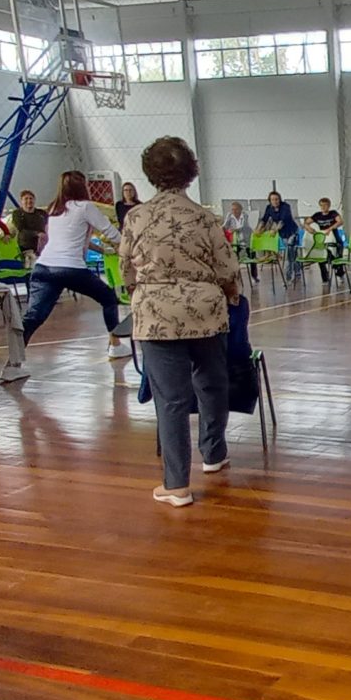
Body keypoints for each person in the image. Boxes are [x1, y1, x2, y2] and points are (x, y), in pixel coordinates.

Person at [121, 138, 240, 509]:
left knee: (171, 399)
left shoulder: (136, 217)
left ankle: (176, 485)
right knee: (212, 384)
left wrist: (137, 292)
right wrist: (231, 296)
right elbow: (227, 269)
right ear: (193, 171)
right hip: (205, 311)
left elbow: (125, 269)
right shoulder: (206, 218)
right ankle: (214, 453)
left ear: (149, 173)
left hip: (156, 314)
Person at [22, 170, 129, 358]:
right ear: (82, 187)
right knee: (109, 298)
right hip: (71, 268)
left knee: (34, 317)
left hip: (43, 267)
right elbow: (111, 233)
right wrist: (131, 244)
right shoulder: (85, 207)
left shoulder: (54, 209)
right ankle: (115, 344)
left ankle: (13, 363)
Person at [303, 197, 347, 283]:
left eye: (325, 205)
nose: (323, 207)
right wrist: (308, 228)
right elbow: (306, 222)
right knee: (321, 258)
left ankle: (340, 274)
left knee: (337, 257)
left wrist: (330, 229)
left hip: (335, 238)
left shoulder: (333, 213)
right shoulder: (317, 215)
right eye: (322, 205)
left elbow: (340, 221)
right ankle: (325, 278)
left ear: (329, 206)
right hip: (323, 238)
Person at [256, 191, 299, 272]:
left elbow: (282, 221)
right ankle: (297, 272)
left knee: (289, 252)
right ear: (270, 200)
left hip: (292, 231)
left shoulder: (285, 206)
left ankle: (289, 276)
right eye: (273, 199)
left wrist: (275, 230)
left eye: (277, 199)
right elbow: (264, 219)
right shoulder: (269, 208)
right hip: (283, 233)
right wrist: (258, 229)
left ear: (279, 199)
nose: (275, 201)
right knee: (292, 253)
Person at [9, 190, 48, 260]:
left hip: (42, 246)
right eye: (26, 199)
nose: (29, 201)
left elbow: (48, 225)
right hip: (25, 246)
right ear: (22, 201)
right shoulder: (17, 213)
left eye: (31, 198)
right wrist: (37, 234)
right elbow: (20, 229)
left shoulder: (42, 213)